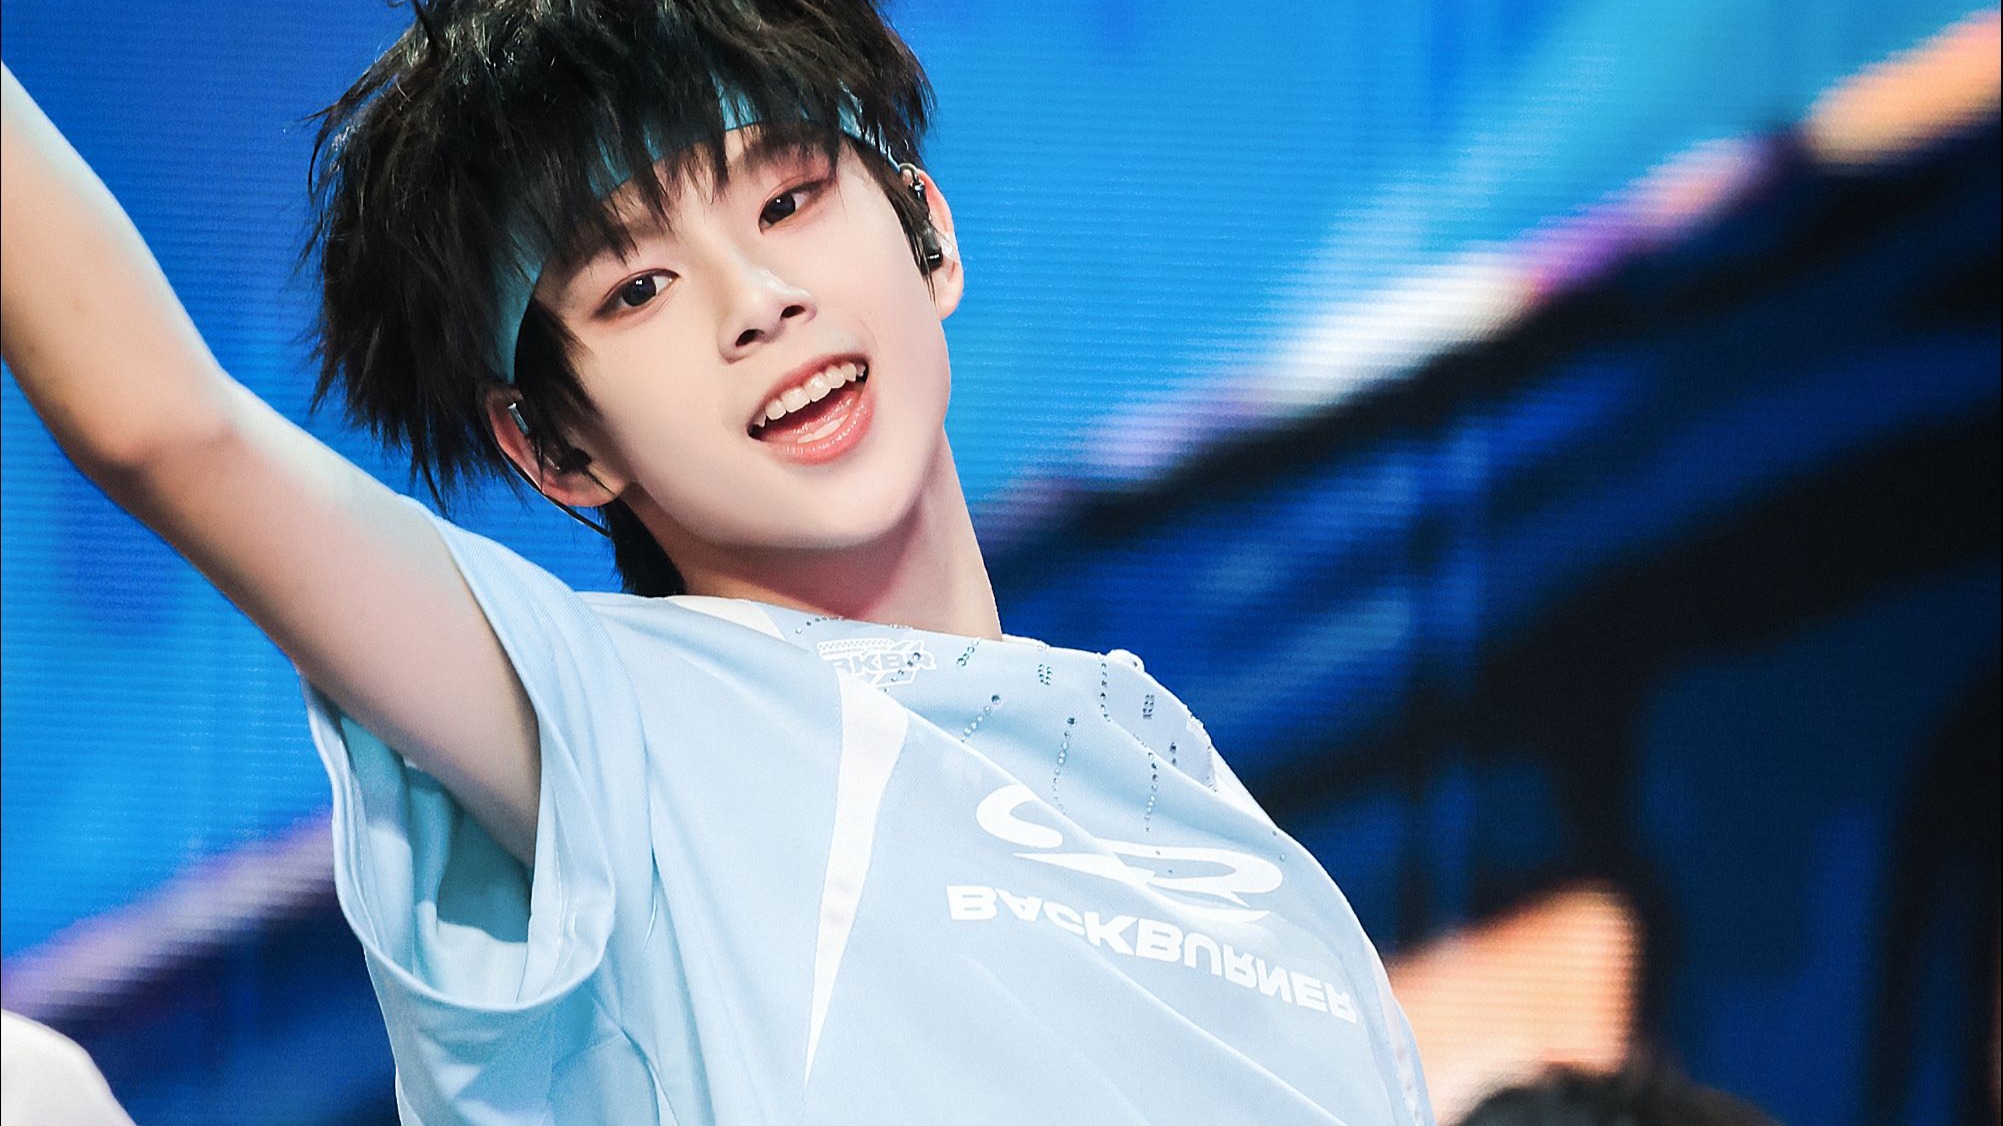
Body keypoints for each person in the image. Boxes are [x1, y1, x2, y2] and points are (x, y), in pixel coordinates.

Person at [0, 1, 1433, 1121]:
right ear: (553, 446)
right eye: (637, 287)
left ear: (927, 232)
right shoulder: (610, 728)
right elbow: (163, 426)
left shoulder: (1229, 838)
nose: (758, 302)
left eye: (789, 200)